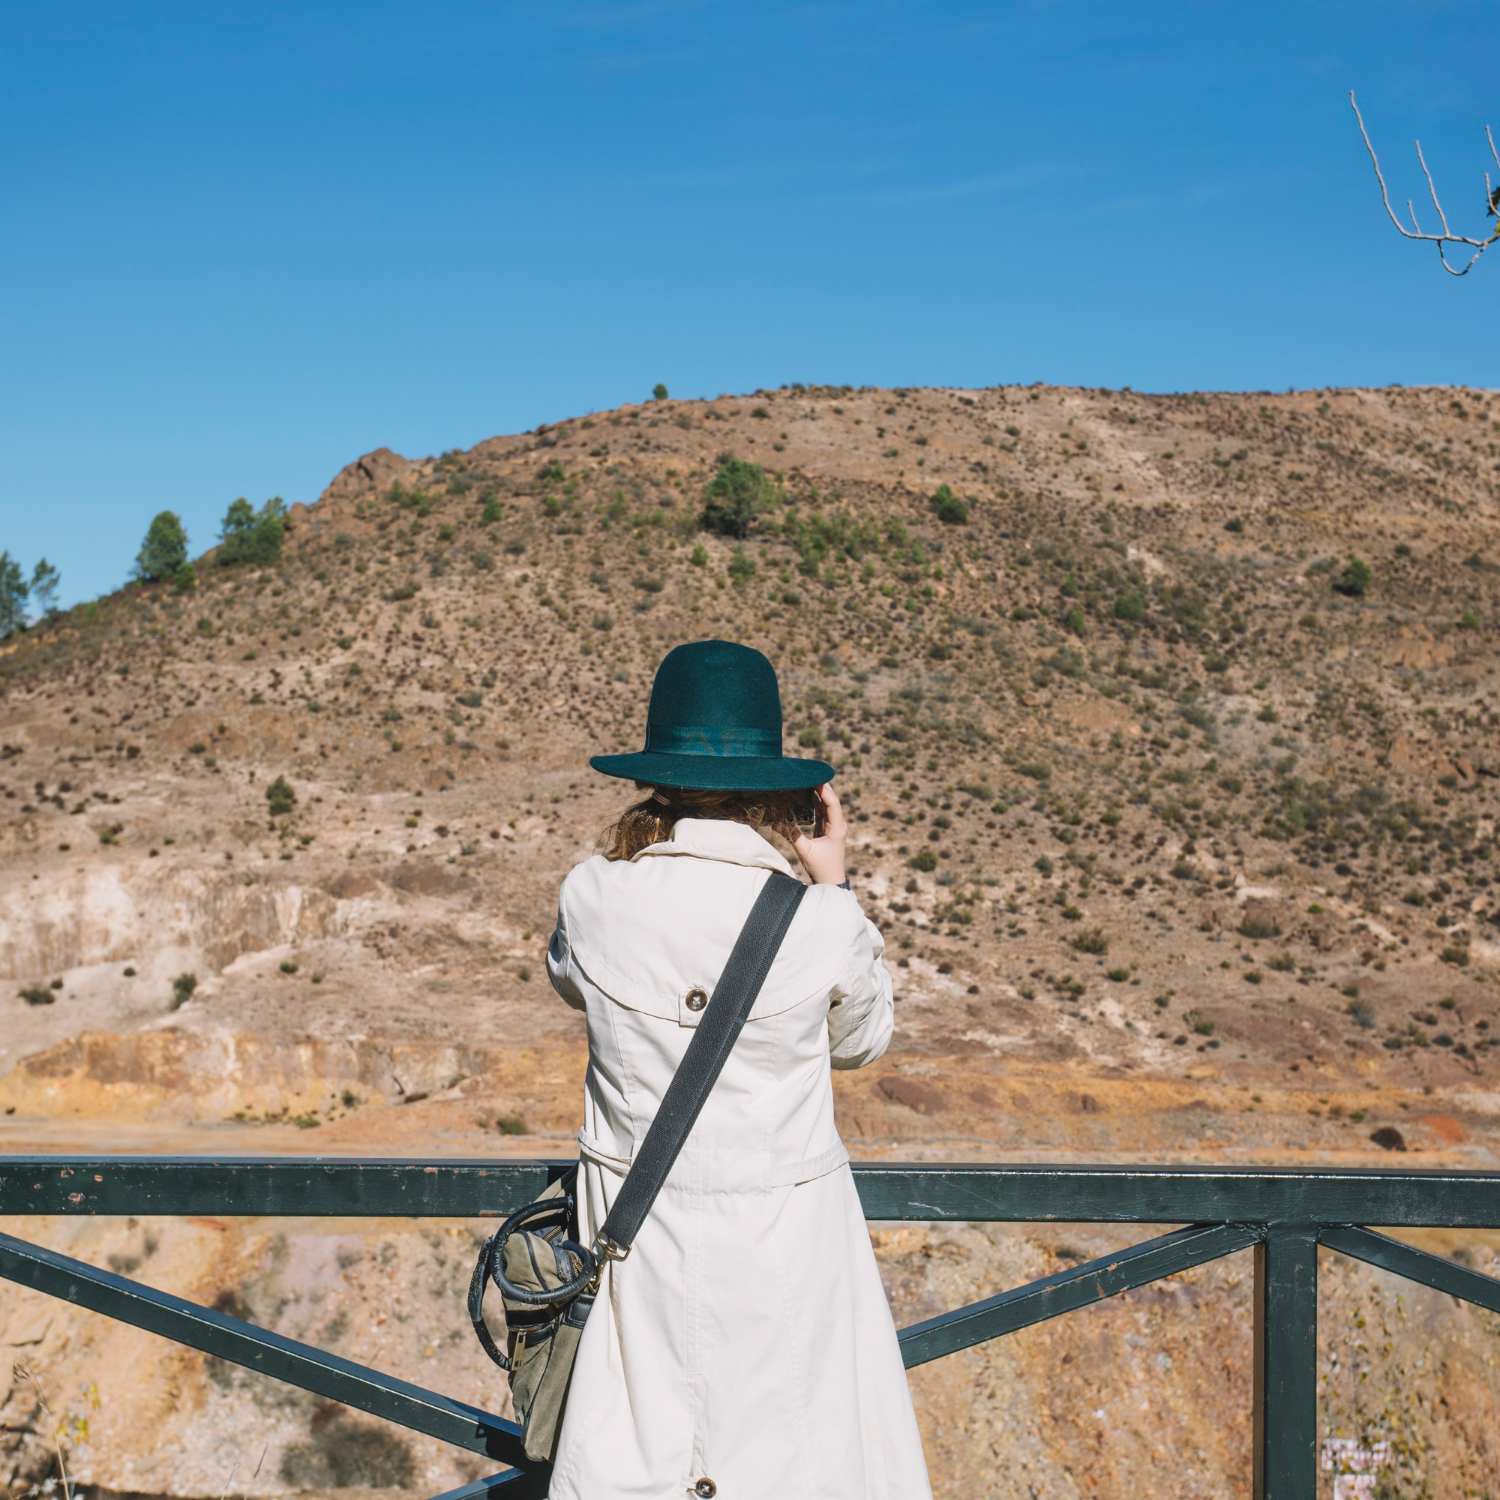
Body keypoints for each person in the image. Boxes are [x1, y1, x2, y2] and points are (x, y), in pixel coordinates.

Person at [545, 639, 931, 1499]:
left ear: (656, 774)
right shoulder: (820, 923)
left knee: (637, 1459)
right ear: (782, 792)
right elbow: (862, 1044)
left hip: (633, 1255)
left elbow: (572, 984)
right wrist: (831, 882)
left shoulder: (592, 896)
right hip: (788, 1264)